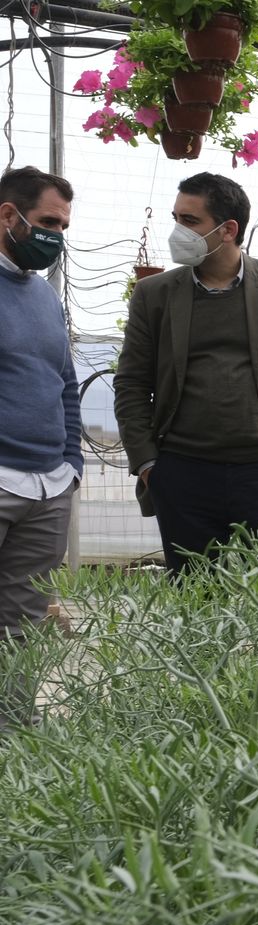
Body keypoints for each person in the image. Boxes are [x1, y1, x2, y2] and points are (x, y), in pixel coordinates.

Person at [113, 172, 258, 574]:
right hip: (181, 473)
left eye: (189, 221)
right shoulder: (155, 295)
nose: (176, 231)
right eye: (176, 218)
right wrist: (148, 465)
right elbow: (131, 384)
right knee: (194, 602)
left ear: (228, 229)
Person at [0, 166, 80, 731]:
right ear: (9, 215)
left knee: (24, 622)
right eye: (49, 222)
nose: (56, 236)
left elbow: (65, 383)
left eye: (63, 225)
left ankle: (12, 737)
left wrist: (71, 463)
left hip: (48, 486)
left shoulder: (47, 299)